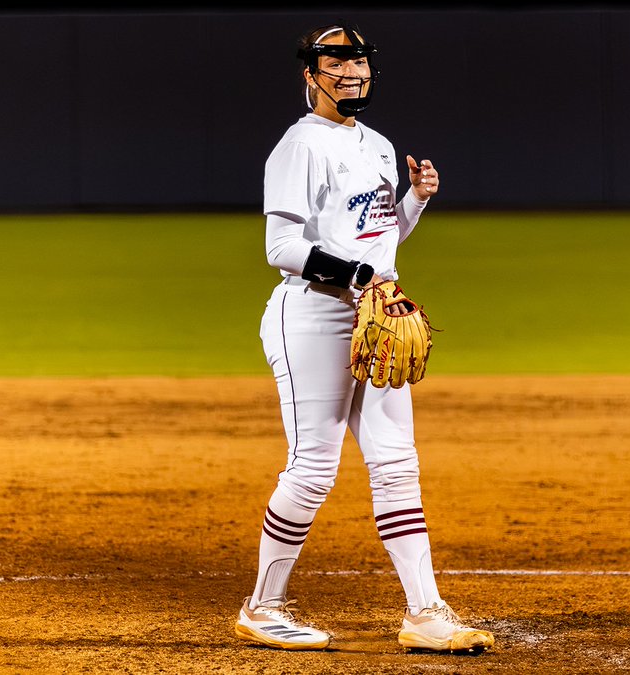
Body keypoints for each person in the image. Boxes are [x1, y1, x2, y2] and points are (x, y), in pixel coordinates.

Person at [232, 22, 495, 654]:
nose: (351, 74)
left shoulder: (377, 144)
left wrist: (415, 203)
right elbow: (282, 247)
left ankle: (425, 612)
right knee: (315, 468)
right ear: (312, 74)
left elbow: (377, 239)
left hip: (372, 313)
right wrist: (355, 277)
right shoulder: (299, 147)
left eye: (359, 65)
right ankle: (262, 607)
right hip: (314, 316)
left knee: (397, 465)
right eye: (337, 65)